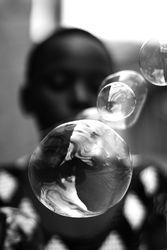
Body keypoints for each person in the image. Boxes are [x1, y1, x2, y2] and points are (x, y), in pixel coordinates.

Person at [0, 27, 167, 250]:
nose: (80, 97)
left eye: (97, 86)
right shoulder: (4, 189)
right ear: (28, 98)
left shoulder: (148, 183)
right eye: (59, 82)